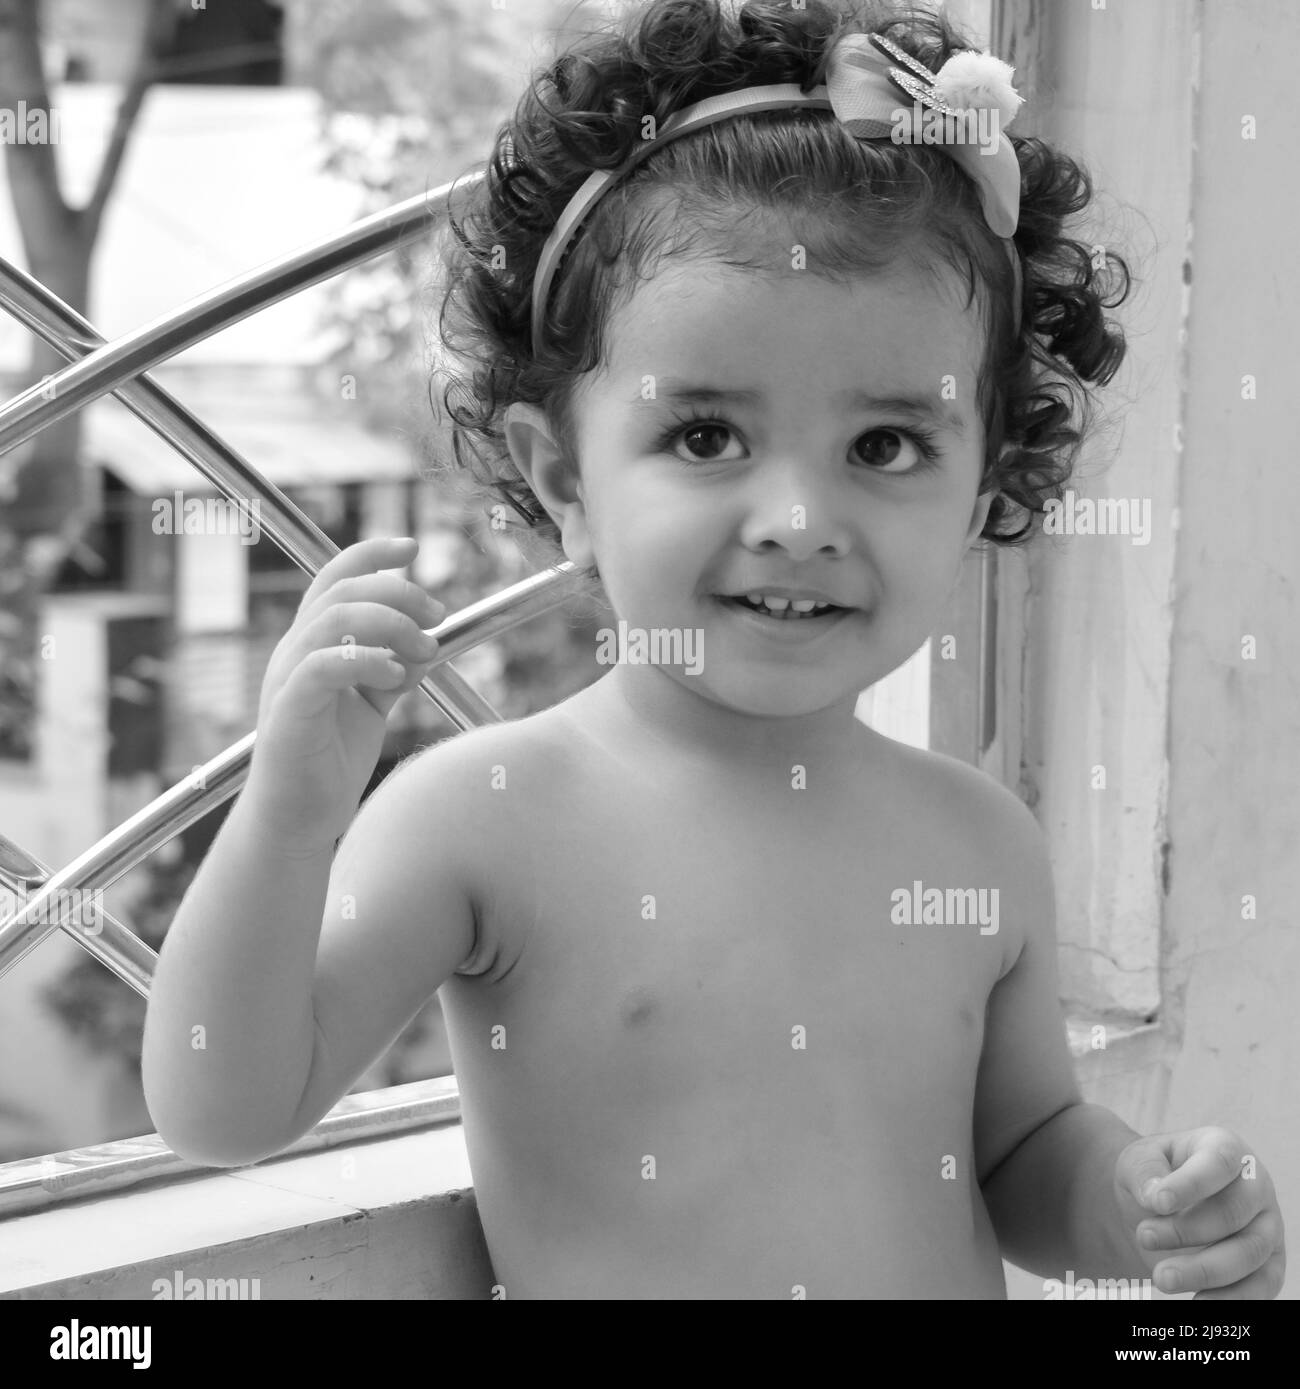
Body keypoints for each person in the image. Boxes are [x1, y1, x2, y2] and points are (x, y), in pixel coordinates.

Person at [142, 0, 1286, 1298]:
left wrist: (1135, 1204)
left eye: (884, 446)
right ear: (562, 475)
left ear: (977, 493)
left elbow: (1018, 1152)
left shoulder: (979, 840)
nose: (799, 522)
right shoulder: (487, 815)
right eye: (704, 437)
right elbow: (223, 1105)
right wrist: (289, 812)